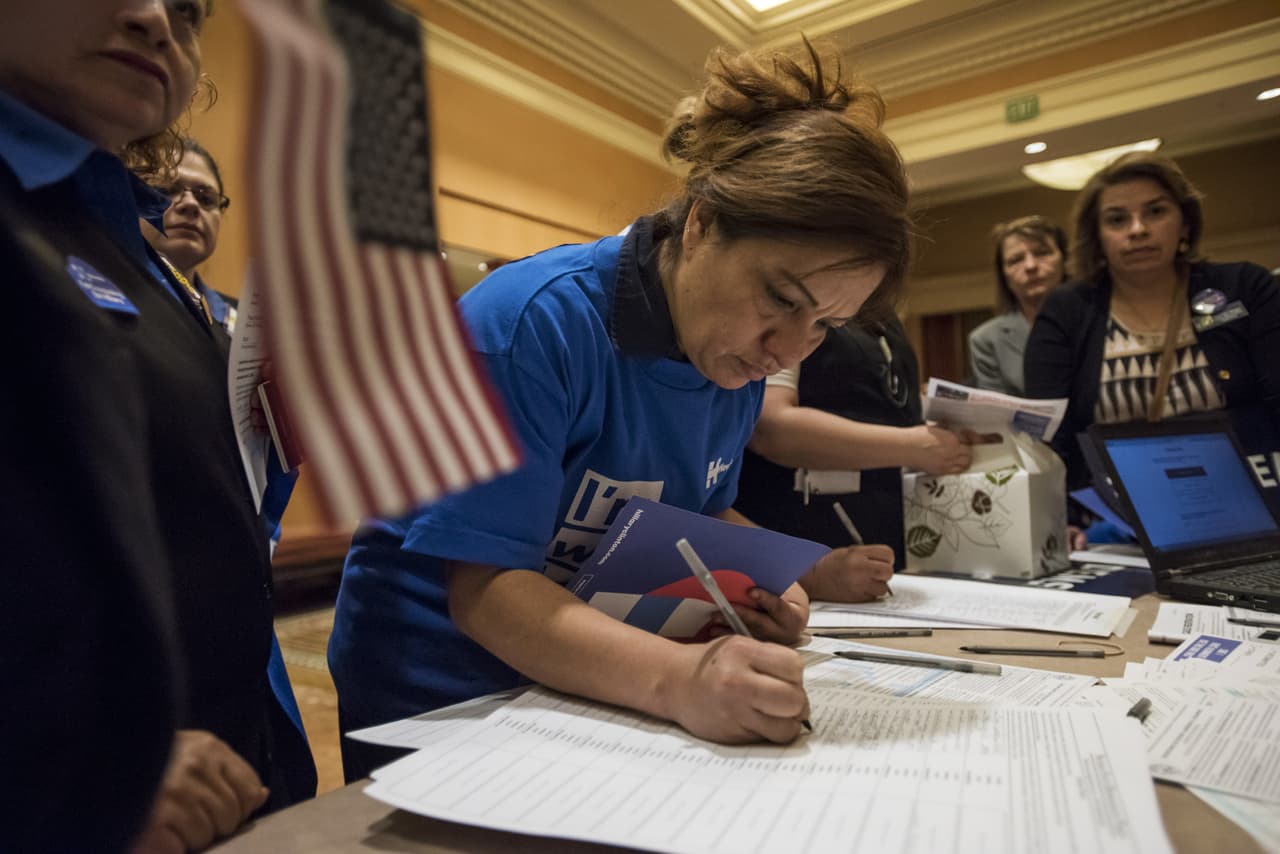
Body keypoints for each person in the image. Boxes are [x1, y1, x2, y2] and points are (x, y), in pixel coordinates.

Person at [328, 39, 913, 780]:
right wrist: (682, 681)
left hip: (585, 676)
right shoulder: (528, 326)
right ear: (700, 224)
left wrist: (763, 588)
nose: (788, 352)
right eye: (782, 299)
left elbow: (698, 514)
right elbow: (485, 593)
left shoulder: (726, 356)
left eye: (825, 325)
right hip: (440, 687)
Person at [1, 3, 311, 851]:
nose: (150, 18)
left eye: (186, 9)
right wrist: (77, 766)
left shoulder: (114, 246)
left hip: (216, 754)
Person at [1024, 152, 1280, 512]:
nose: (1138, 229)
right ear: (1097, 236)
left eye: (1155, 212)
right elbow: (1048, 436)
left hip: (1250, 503)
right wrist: (1059, 517)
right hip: (1117, 521)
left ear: (1185, 224)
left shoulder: (1244, 287)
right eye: (1117, 219)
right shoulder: (1068, 310)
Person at [737, 316, 972, 569]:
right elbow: (769, 426)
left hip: (889, 535)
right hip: (805, 537)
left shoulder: (884, 316)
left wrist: (939, 434)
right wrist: (913, 447)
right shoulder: (798, 307)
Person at [144, 137, 238, 331]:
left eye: (206, 198)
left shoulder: (251, 330)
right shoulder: (89, 297)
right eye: (166, 190)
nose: (191, 204)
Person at [969, 215, 1068, 395]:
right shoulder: (986, 340)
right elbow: (996, 416)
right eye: (1016, 260)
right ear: (1004, 275)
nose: (1030, 266)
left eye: (1042, 253)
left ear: (1065, 260)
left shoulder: (1099, 318)